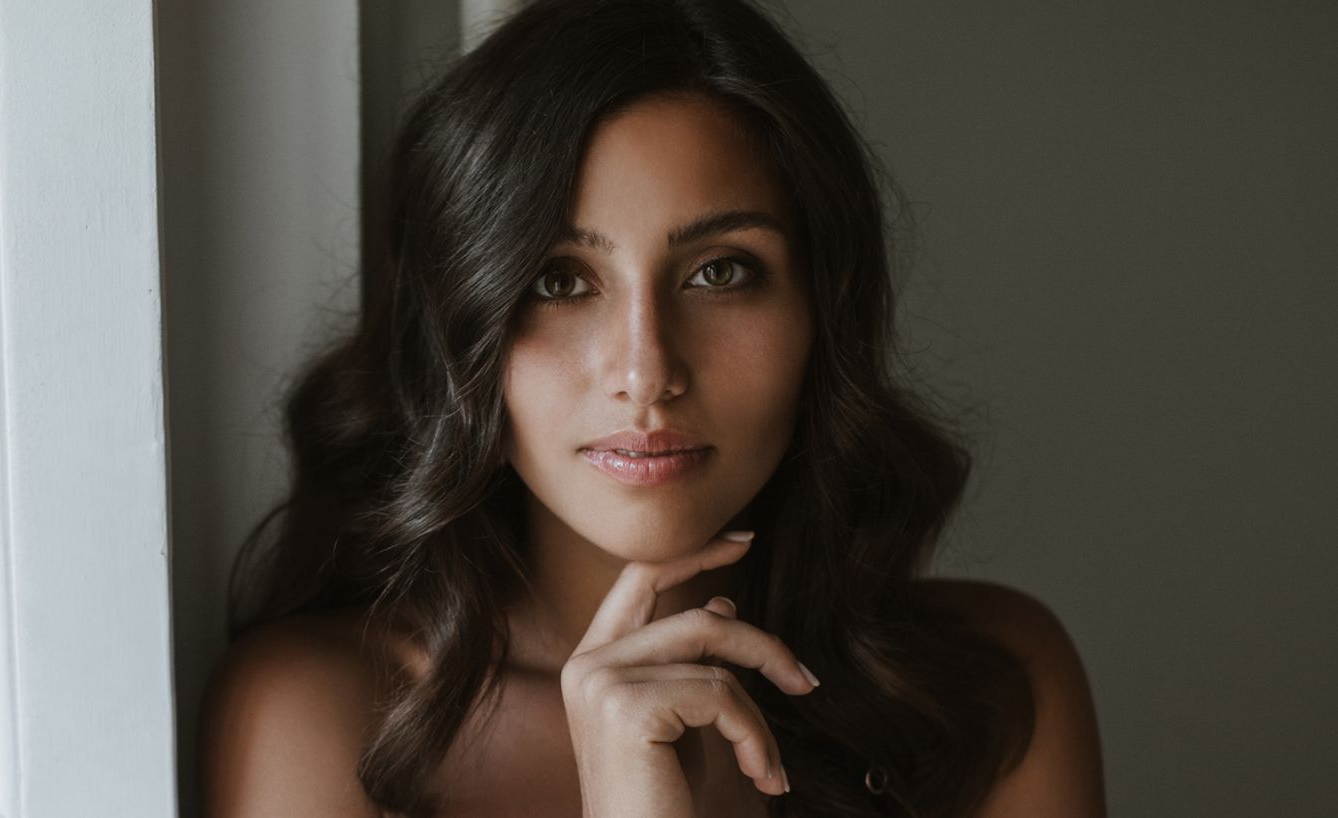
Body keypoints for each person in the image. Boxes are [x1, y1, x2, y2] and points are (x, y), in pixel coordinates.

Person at [197, 0, 1106, 816]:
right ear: (457, 328)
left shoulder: (983, 697)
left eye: (720, 272)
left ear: (822, 315)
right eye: (559, 280)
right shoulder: (321, 721)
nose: (646, 372)